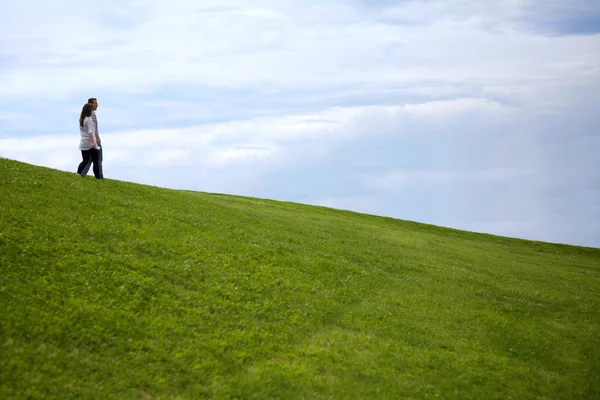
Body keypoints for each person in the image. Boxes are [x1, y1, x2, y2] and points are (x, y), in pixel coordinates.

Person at [76, 103, 102, 179]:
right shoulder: (89, 119)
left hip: (83, 143)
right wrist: (94, 143)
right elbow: (90, 132)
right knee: (96, 161)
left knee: (85, 160)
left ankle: (78, 173)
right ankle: (98, 178)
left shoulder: (82, 119)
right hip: (90, 143)